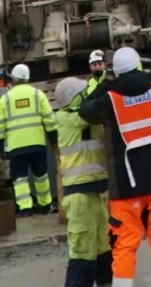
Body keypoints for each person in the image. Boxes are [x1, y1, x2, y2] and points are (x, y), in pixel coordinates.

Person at [96, 46, 151, 287]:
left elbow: (87, 109)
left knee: (124, 242)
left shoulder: (111, 99)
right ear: (138, 66)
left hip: (126, 187)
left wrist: (107, 82)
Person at [51, 76, 112, 287]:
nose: (87, 97)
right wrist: (107, 84)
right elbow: (94, 107)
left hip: (94, 192)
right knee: (82, 254)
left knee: (103, 247)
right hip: (78, 194)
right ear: (75, 99)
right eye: (83, 94)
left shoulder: (87, 118)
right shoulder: (66, 118)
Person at [0, 62, 54, 213]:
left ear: (13, 79)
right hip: (37, 144)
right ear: (27, 79)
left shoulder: (5, 99)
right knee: (41, 176)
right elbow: (49, 119)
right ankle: (45, 205)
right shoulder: (37, 94)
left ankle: (25, 208)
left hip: (16, 147)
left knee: (20, 178)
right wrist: (54, 140)